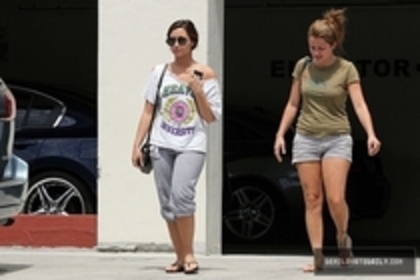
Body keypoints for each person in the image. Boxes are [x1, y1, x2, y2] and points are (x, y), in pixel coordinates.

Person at [273, 8, 381, 272]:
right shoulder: (303, 66)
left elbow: (358, 104)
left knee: (335, 198)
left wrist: (370, 133)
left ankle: (342, 235)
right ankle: (318, 256)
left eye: (321, 48)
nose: (316, 53)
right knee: (312, 198)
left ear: (333, 45)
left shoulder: (346, 69)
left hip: (337, 137)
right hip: (306, 136)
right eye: (312, 47)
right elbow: (292, 103)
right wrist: (279, 134)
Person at [131, 19, 222, 274]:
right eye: (171, 40)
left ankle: (191, 253)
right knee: (167, 204)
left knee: (182, 196)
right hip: (161, 144)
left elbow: (210, 117)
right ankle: (180, 256)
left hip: (191, 144)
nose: (176, 45)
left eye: (181, 40)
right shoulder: (159, 72)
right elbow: (148, 112)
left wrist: (198, 91)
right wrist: (136, 145)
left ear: (193, 41)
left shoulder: (205, 74)